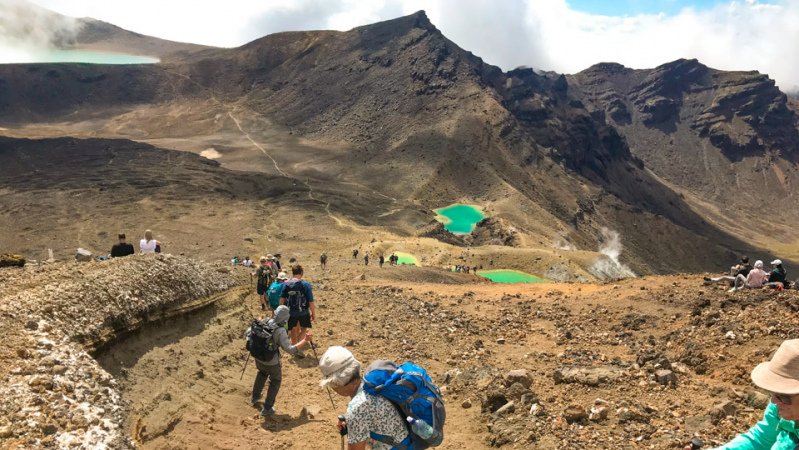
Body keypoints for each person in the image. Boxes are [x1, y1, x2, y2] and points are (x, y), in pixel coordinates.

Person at [684, 339, 799, 450]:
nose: (774, 401)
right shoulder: (778, 408)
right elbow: (760, 439)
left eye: (784, 397)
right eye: (773, 392)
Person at [319, 347, 410, 450]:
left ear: (337, 382)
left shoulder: (356, 408)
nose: (332, 388)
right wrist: (352, 425)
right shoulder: (372, 385)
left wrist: (353, 421)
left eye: (332, 384)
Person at [247, 305, 313, 417]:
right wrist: (305, 340)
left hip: (258, 358)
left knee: (261, 374)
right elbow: (290, 349)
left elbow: (248, 333)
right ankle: (267, 408)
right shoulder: (280, 330)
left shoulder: (265, 321)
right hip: (271, 361)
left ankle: (255, 396)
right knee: (275, 381)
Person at [280, 265, 315, 351]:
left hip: (290, 312)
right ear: (301, 273)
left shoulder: (286, 284)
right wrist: (313, 313)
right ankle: (299, 347)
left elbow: (282, 300)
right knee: (303, 329)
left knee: (293, 330)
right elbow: (310, 301)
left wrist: (281, 312)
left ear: (292, 273)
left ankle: (294, 347)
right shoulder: (305, 285)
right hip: (303, 311)